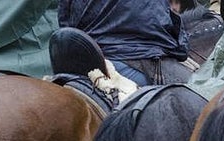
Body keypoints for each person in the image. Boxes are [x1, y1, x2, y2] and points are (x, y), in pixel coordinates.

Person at [58, 0, 190, 86]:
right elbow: (159, 20)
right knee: (198, 94)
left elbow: (65, 22)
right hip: (135, 57)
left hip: (84, 61)